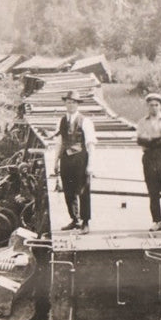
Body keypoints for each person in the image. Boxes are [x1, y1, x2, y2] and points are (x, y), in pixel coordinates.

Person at [135, 92, 161, 231]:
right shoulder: (142, 122)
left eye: (156, 105)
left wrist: (151, 140)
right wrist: (159, 138)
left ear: (160, 106)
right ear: (147, 106)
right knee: (152, 190)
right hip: (149, 157)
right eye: (151, 105)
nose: (154, 107)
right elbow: (140, 140)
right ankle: (157, 220)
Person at [55, 90, 95, 232]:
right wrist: (55, 161)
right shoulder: (61, 121)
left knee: (83, 190)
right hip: (66, 159)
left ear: (78, 104)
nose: (70, 105)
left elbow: (90, 144)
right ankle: (74, 219)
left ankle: (85, 221)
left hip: (80, 159)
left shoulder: (85, 121)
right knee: (68, 190)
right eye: (68, 102)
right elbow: (59, 142)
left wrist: (90, 165)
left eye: (73, 102)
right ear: (65, 104)